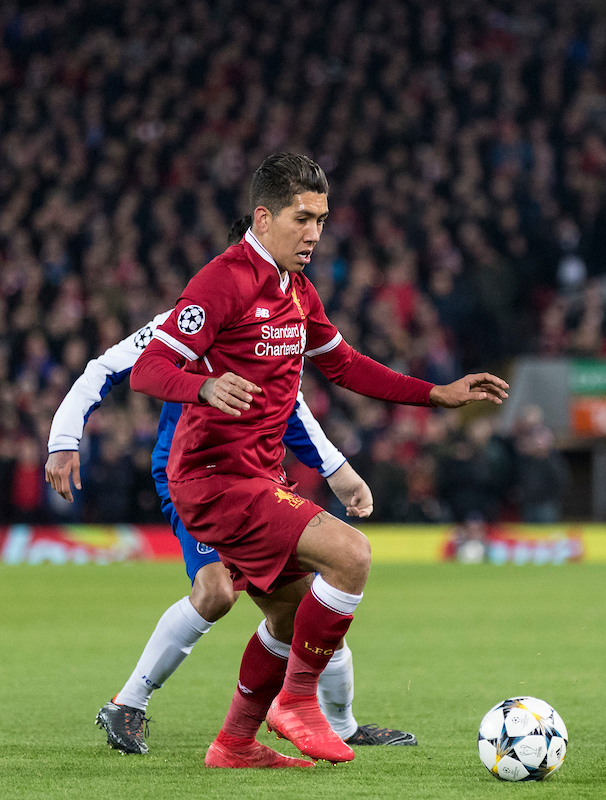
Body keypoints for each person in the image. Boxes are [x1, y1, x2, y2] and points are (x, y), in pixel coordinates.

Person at [129, 153, 508, 768]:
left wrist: (436, 393)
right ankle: (296, 704)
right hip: (212, 480)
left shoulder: (296, 290)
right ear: (263, 216)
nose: (314, 234)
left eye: (322, 220)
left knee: (287, 615)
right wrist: (201, 386)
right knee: (350, 553)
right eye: (302, 219)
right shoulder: (222, 281)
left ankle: (234, 743)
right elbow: (149, 369)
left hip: (253, 478)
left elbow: (345, 364)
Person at [46, 239, 415, 756]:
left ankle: (339, 723)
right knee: (219, 591)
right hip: (195, 479)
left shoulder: (275, 324)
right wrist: (64, 440)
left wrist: (338, 470)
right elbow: (101, 371)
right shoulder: (183, 320)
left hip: (253, 476)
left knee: (306, 602)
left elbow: (294, 408)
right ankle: (129, 703)